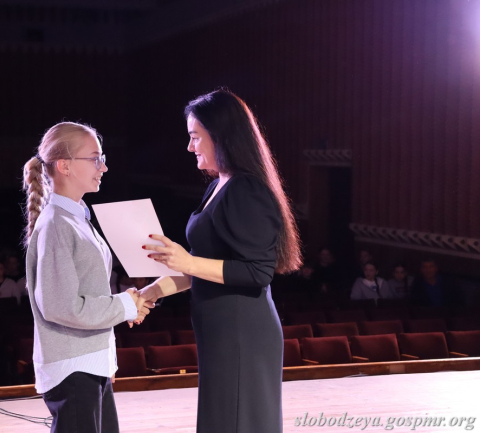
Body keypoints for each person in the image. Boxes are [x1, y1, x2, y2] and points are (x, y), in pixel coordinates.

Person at [139, 90, 302, 433]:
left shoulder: (245, 189)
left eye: (195, 137)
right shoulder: (219, 185)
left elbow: (257, 271)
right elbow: (204, 265)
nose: (190, 147)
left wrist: (187, 262)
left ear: (222, 136)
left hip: (242, 331)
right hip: (222, 328)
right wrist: (152, 291)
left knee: (237, 422)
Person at [22, 121, 153, 433]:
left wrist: (123, 312)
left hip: (87, 363)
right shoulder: (57, 224)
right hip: (73, 367)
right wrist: (124, 305)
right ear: (64, 165)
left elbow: (89, 293)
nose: (103, 167)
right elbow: (61, 306)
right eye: (95, 159)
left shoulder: (75, 217)